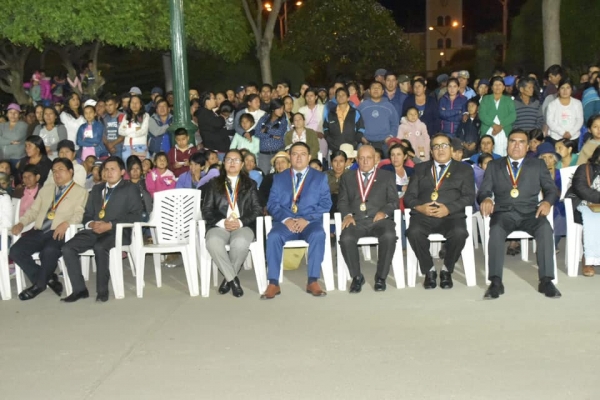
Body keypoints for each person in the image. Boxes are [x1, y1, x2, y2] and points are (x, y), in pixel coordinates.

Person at [478, 129, 560, 299]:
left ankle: (546, 280)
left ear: (528, 145)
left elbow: (551, 190)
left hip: (531, 212)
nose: (516, 145)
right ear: (507, 144)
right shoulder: (494, 165)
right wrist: (486, 198)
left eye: (521, 142)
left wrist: (547, 202)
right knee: (496, 231)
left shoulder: (537, 165)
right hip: (503, 213)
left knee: (545, 229)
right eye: (513, 141)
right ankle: (495, 282)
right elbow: (483, 191)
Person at [61, 156, 143, 302]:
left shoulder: (130, 188)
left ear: (122, 172)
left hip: (118, 231)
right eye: (106, 169)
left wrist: (110, 224)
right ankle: (79, 290)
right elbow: (87, 215)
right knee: (68, 248)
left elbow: (138, 215)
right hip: (95, 230)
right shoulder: (97, 189)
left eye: (113, 169)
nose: (109, 172)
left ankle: (102, 291)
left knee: (100, 247)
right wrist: (91, 223)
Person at [9, 158, 88, 301]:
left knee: (49, 252)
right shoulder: (46, 190)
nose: (57, 173)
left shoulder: (80, 192)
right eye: (54, 171)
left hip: (59, 231)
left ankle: (39, 285)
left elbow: (79, 215)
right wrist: (21, 223)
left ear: (70, 172)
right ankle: (47, 277)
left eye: (61, 170)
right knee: (15, 251)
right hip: (39, 230)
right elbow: (33, 211)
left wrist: (67, 223)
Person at [404, 134, 475, 289]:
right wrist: (419, 207)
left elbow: (469, 197)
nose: (440, 150)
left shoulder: (464, 169)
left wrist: (448, 209)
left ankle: (446, 269)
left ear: (451, 149)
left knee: (459, 233)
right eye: (436, 147)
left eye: (444, 146)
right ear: (431, 151)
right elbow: (409, 197)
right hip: (424, 215)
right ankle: (429, 269)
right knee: (413, 232)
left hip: (451, 215)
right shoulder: (420, 168)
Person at [262, 142, 332, 299]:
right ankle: (273, 282)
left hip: (309, 223)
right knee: (273, 236)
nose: (299, 157)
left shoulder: (320, 178)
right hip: (285, 223)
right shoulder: (279, 178)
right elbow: (272, 204)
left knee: (318, 234)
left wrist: (306, 219)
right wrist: (286, 219)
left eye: (302, 154)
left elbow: (326, 204)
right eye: (295, 154)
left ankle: (312, 280)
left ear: (309, 157)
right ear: (290, 157)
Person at [201, 150, 263, 297]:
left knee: (240, 242)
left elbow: (257, 209)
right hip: (219, 225)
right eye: (229, 159)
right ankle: (233, 280)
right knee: (213, 242)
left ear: (242, 164)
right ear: (224, 163)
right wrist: (222, 222)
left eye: (236, 160)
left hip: (243, 225)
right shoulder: (213, 184)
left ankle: (227, 280)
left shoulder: (250, 184)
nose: (232, 163)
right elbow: (207, 210)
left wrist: (241, 222)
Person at [337, 145, 399, 292]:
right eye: (362, 158)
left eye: (369, 158)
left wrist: (384, 212)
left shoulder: (387, 176)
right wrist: (347, 215)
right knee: (346, 238)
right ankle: (357, 277)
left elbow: (393, 201)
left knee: (389, 235)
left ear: (375, 160)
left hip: (380, 220)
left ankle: (381, 277)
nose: (365, 161)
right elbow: (342, 201)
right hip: (356, 220)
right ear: (357, 160)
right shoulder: (347, 177)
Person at [567, 146, 600, 277]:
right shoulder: (584, 168)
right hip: (585, 205)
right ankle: (589, 259)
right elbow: (581, 189)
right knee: (595, 219)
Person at [358, 81, 400, 157]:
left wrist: (390, 137)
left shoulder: (389, 106)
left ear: (382, 91)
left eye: (378, 88)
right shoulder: (362, 106)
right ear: (369, 91)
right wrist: (361, 137)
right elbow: (356, 124)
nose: (376, 89)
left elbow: (395, 124)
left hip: (385, 143)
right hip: (366, 142)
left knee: (385, 167)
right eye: (373, 87)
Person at [479, 76, 517, 157]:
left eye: (500, 84)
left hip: (504, 130)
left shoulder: (508, 100)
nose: (497, 87)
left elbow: (513, 115)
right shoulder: (485, 99)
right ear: (492, 87)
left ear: (503, 87)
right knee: (487, 153)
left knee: (503, 153)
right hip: (488, 129)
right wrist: (494, 125)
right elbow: (482, 114)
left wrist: (501, 126)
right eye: (495, 85)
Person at [323, 88, 365, 154]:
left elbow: (361, 128)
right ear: (336, 98)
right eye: (338, 95)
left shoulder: (355, 112)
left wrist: (355, 142)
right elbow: (325, 128)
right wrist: (330, 140)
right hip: (334, 148)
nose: (340, 97)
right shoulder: (330, 113)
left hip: (351, 147)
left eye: (343, 95)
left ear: (348, 98)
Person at [254, 99, 288, 173]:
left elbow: (279, 133)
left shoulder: (283, 121)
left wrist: (265, 130)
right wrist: (271, 136)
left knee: (280, 173)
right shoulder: (264, 118)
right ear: (273, 108)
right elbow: (257, 132)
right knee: (263, 174)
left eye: (283, 108)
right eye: (279, 108)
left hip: (278, 152)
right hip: (264, 153)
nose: (281, 111)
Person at [118, 94, 150, 161]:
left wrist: (127, 131)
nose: (134, 104)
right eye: (132, 102)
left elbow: (142, 131)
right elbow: (120, 131)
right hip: (127, 147)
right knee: (128, 167)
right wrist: (135, 129)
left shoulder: (145, 116)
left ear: (141, 105)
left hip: (140, 146)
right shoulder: (126, 116)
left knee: (142, 168)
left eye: (137, 103)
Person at [299, 88, 327, 159]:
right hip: (306, 136)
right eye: (307, 96)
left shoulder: (323, 108)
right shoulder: (301, 110)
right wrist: (314, 133)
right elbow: (299, 126)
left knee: (321, 158)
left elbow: (326, 123)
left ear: (316, 97)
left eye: (311, 96)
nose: (309, 98)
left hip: (321, 136)